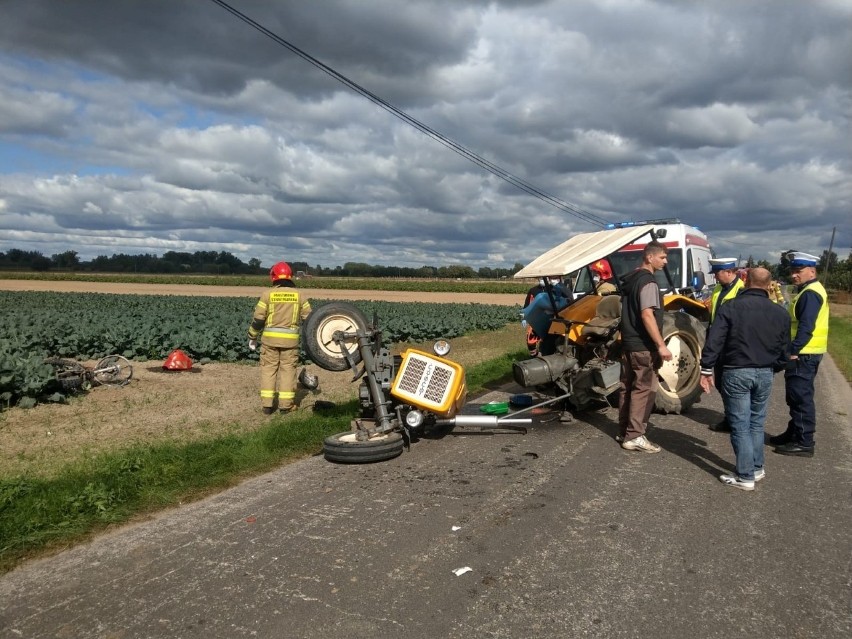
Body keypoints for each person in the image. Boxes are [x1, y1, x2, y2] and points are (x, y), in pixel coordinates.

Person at [698, 268, 791, 490]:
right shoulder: (780, 313)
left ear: (746, 281)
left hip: (736, 370)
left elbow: (715, 340)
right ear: (770, 285)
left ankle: (745, 476)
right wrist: (773, 367)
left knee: (740, 425)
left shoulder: (731, 307)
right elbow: (785, 350)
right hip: (765, 372)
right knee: (756, 423)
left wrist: (706, 369)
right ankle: (757, 468)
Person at [771, 251, 830, 457]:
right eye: (793, 271)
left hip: (803, 354)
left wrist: (794, 350)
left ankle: (805, 442)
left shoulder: (810, 293)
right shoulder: (808, 290)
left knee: (800, 397)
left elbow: (806, 326)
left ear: (812, 271)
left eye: (799, 271)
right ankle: (794, 432)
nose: (795, 275)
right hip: (807, 353)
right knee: (796, 396)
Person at [617, 241, 673, 452]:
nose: (665, 262)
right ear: (649, 257)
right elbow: (647, 314)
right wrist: (661, 345)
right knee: (644, 389)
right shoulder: (648, 282)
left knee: (627, 387)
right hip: (642, 345)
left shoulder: (630, 280)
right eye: (663, 257)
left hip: (628, 343)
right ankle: (635, 435)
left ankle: (624, 430)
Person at [248, 261, 312, 415]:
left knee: (268, 370)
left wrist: (252, 336)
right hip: (290, 343)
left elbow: (258, 319)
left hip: (269, 342)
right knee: (288, 371)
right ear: (290, 277)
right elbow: (310, 319)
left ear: (273, 277)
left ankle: (267, 406)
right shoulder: (299, 296)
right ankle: (285, 406)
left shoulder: (267, 295)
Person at [705, 258, 745, 433]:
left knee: (732, 385)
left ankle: (736, 420)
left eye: (717, 273)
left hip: (733, 344)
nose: (715, 277)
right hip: (719, 343)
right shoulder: (719, 289)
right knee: (721, 383)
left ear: (729, 272)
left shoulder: (741, 290)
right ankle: (731, 417)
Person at [521, 279, 546, 356]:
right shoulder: (533, 291)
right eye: (540, 278)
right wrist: (523, 318)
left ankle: (545, 354)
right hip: (534, 320)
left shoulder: (552, 290)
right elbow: (526, 305)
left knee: (547, 340)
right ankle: (533, 356)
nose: (542, 280)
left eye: (544, 278)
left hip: (549, 320)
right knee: (530, 340)